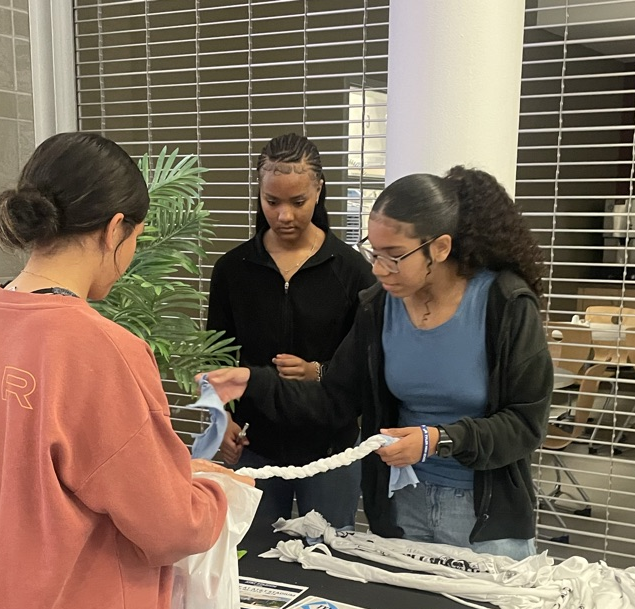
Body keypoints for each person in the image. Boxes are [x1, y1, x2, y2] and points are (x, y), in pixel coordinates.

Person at [0, 132, 253, 609]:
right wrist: (214, 491)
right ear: (116, 229)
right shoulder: (99, 350)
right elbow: (168, 526)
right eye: (135, 238)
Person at [202, 166, 553, 561]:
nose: (378, 269)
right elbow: (333, 398)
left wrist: (437, 439)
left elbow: (526, 425)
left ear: (440, 248)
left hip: (485, 517)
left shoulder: (504, 305)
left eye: (394, 256)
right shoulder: (380, 307)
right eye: (374, 251)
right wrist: (254, 382)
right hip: (403, 504)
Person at [206, 133, 375, 529]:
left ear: (319, 191)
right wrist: (221, 418)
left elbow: (366, 366)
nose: (284, 215)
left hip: (330, 449)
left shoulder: (353, 272)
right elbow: (216, 357)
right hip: (254, 446)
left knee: (329, 559)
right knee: (253, 561)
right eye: (272, 201)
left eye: (298, 202)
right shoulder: (233, 270)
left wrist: (319, 371)